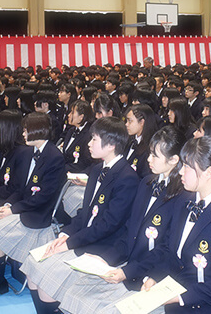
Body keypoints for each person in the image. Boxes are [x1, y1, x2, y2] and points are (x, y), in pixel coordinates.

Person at [55, 127, 188, 313]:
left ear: (174, 160)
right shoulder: (147, 182)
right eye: (149, 153)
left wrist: (127, 271)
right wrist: (106, 258)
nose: (148, 160)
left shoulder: (184, 197)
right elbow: (129, 230)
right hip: (130, 263)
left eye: (155, 156)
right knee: (74, 296)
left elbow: (166, 250)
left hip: (153, 274)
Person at [21, 117, 139, 313]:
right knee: (34, 267)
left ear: (110, 145)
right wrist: (65, 234)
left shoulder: (127, 178)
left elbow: (108, 225)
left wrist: (70, 243)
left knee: (45, 277)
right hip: (87, 235)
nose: (88, 143)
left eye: (94, 139)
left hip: (106, 244)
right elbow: (86, 212)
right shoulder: (96, 170)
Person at [136, 136, 211, 312]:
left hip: (205, 306)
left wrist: (180, 297)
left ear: (209, 173)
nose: (181, 172)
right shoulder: (184, 199)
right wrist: (154, 276)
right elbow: (168, 249)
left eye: (187, 167)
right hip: (173, 296)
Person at [0, 112, 66, 300]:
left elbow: (43, 197)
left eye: (26, 130)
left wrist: (13, 209)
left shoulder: (54, 157)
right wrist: (8, 205)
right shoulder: (29, 152)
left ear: (37, 131)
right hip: (23, 205)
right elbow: (20, 187)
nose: (22, 134)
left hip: (38, 214)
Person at [59, 100, 95, 173]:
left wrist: (62, 168)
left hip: (77, 173)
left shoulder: (89, 135)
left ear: (81, 117)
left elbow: (85, 163)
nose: (68, 115)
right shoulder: (71, 130)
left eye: (72, 112)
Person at [123, 104, 158, 178]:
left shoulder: (152, 146)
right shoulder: (128, 139)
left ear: (142, 122)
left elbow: (146, 176)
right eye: (126, 121)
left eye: (130, 121)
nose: (126, 124)